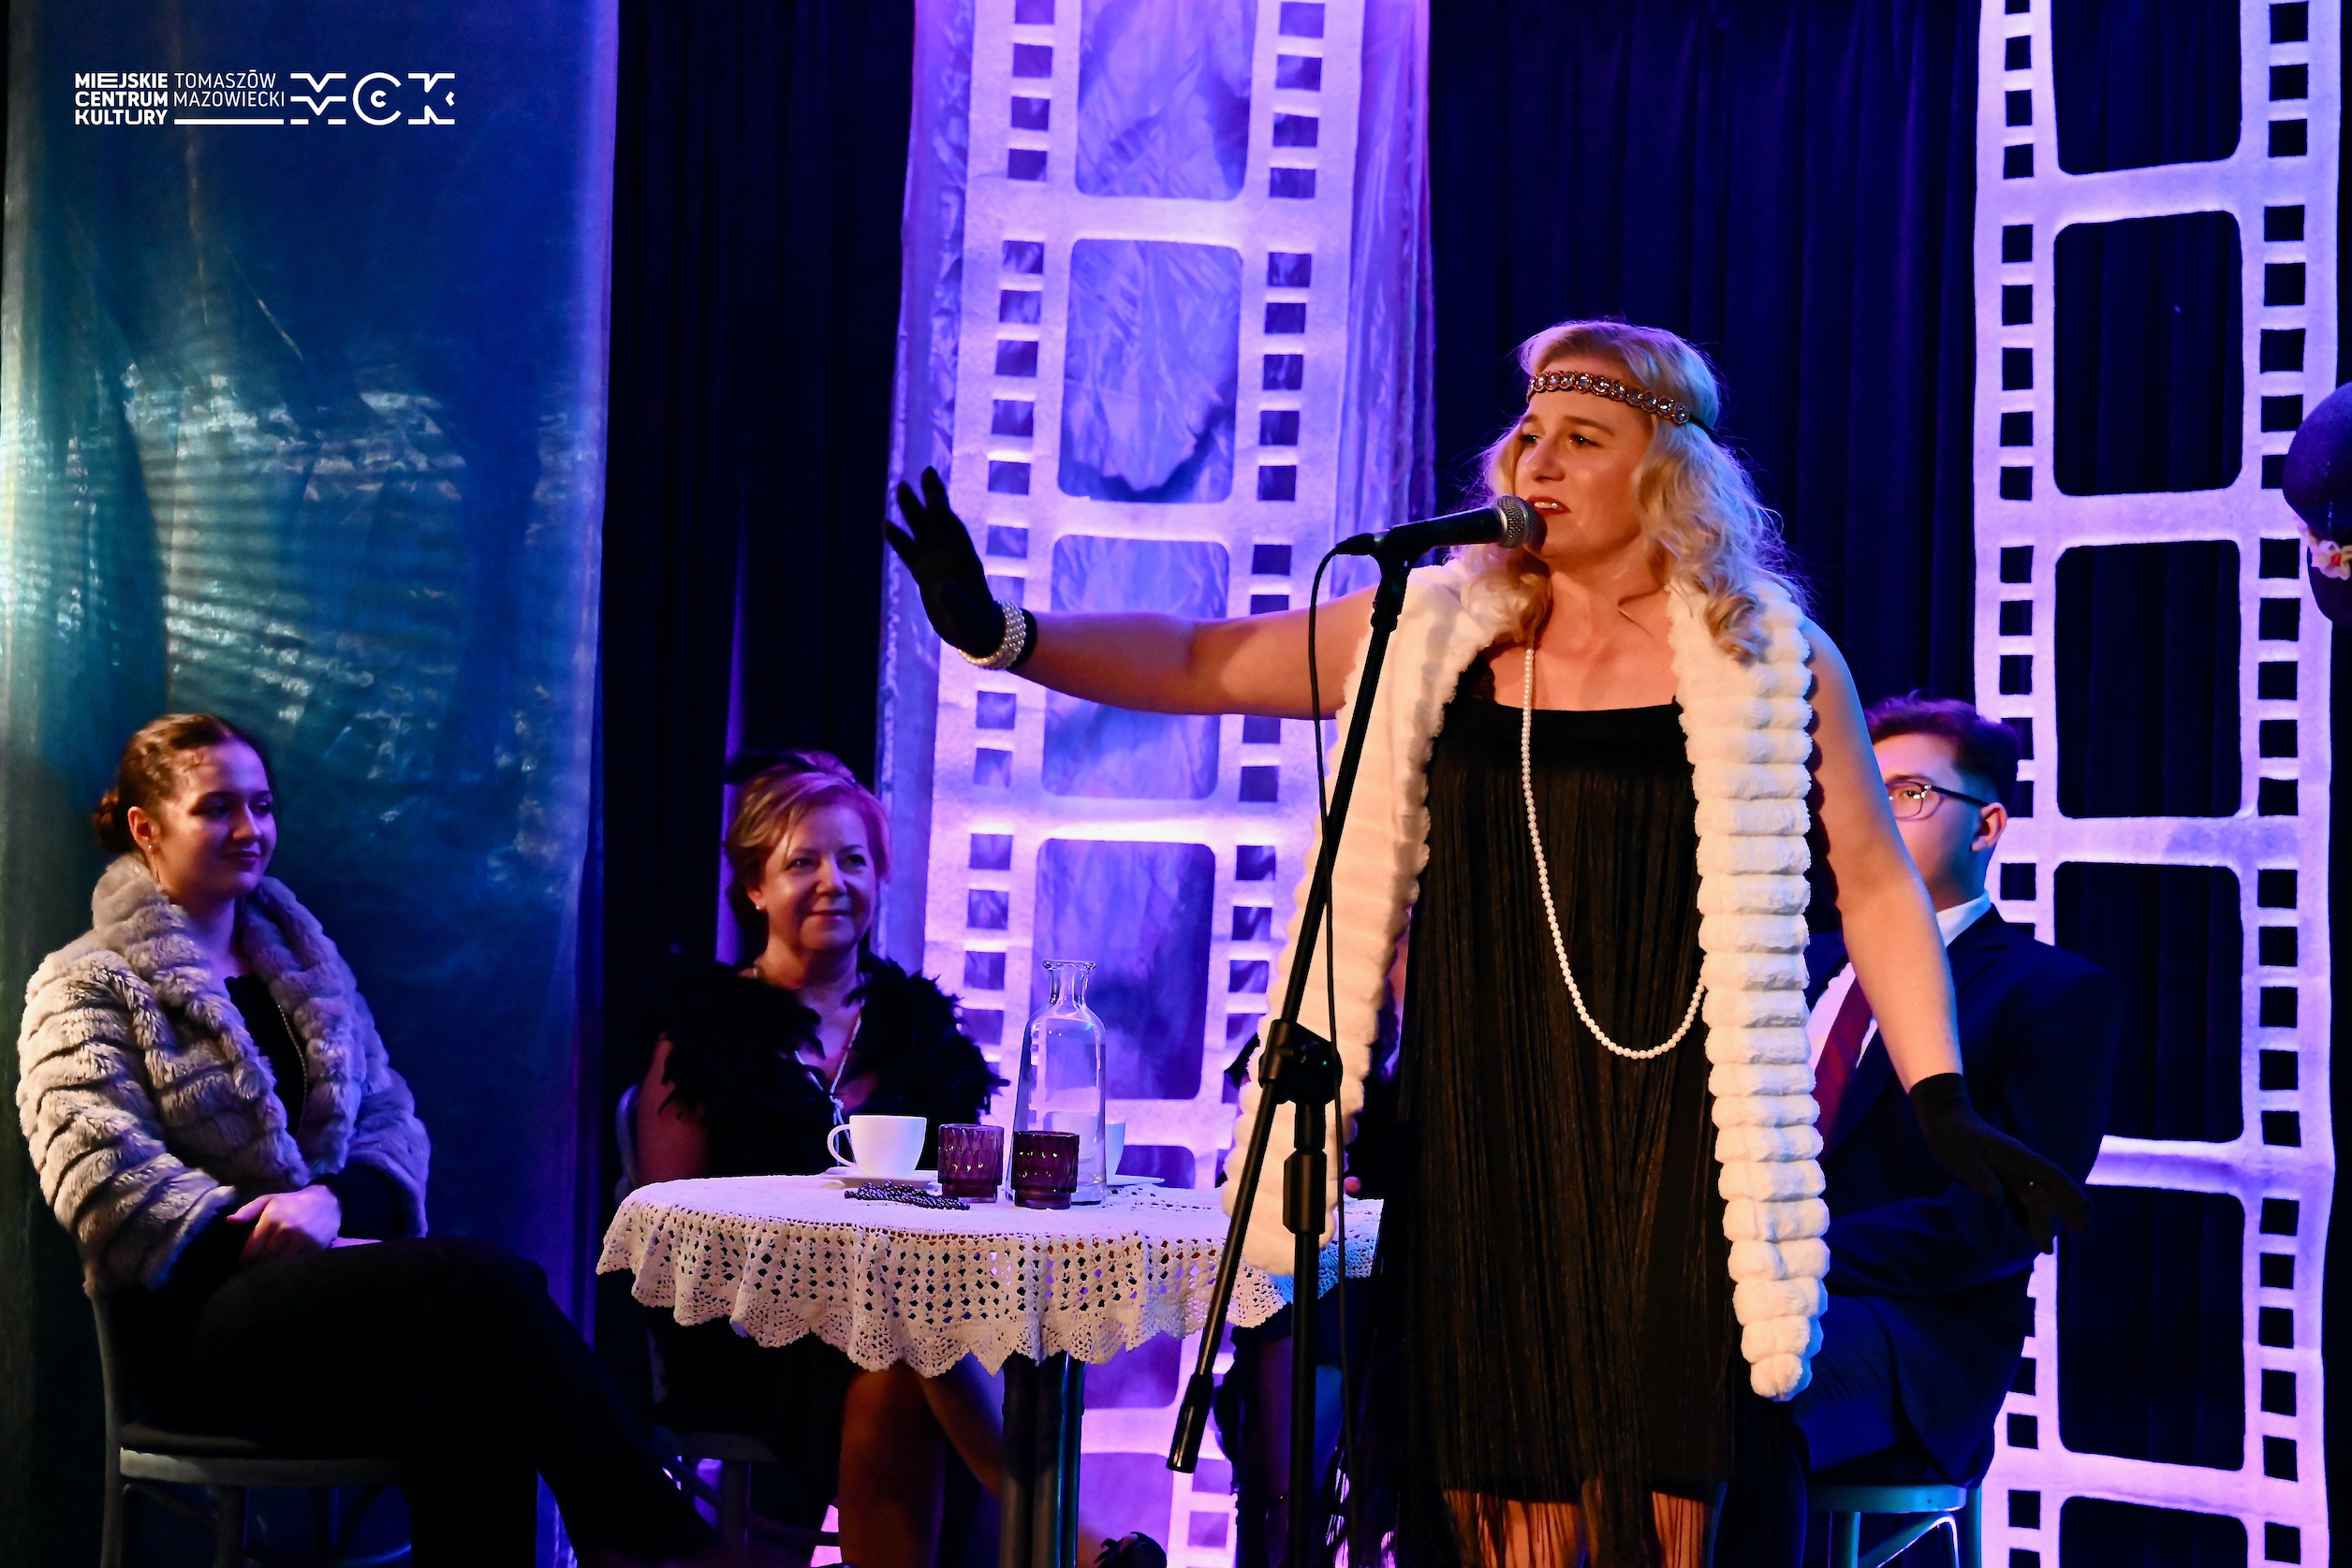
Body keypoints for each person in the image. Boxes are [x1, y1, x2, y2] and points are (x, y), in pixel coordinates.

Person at [886, 320, 2089, 1568]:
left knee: (1665, 1491)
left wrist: (1941, 1095)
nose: (1537, 461)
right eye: (1528, 434)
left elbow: (1878, 887)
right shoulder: (1432, 628)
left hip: (1677, 1152)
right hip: (1480, 1140)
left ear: (1668, 471)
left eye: (1583, 438)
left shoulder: (1764, 651)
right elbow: (1206, 660)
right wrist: (1003, 633)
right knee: (1494, 1495)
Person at [15, 713, 724, 1567]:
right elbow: (102, 1177)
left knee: (474, 1386)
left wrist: (330, 1204)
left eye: (262, 805)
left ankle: (639, 1544)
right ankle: (658, 1540)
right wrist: (273, 1231)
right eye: (217, 807)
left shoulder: (308, 971)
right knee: (486, 1283)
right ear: (146, 827)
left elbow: (393, 1124)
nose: (250, 828)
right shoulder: (86, 982)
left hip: (335, 1310)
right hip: (193, 1332)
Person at [631, 752, 1157, 1568]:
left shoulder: (920, 1033)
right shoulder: (702, 1036)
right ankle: (1069, 1538)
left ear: (879, 876)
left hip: (909, 1322)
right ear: (755, 888)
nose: (832, 882)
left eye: (853, 860)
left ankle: (1058, 1537)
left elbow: (964, 1204)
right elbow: (669, 1233)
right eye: (802, 862)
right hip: (753, 1333)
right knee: (919, 1337)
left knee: (911, 1351)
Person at [1719, 697, 2119, 1564]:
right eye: (1854, 790)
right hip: (1741, 1298)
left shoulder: (2052, 993)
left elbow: (1997, 1221)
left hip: (1913, 1336)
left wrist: (1786, 1258)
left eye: (1904, 792)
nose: (1867, 811)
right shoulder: (1789, 965)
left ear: (1987, 826)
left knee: (1727, 1384)